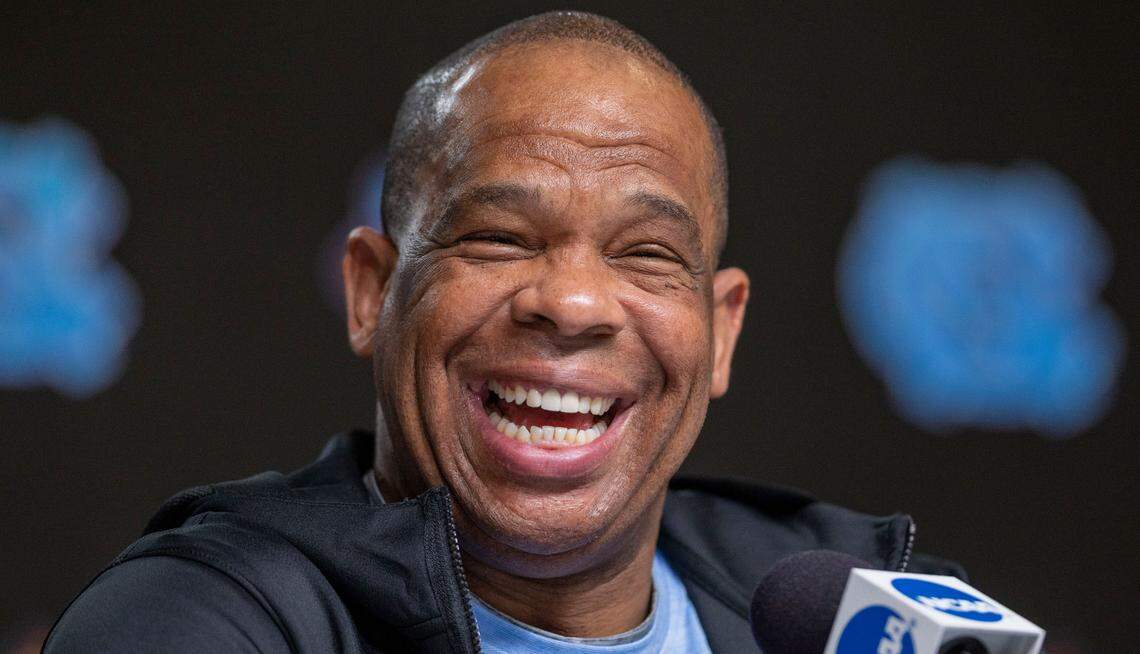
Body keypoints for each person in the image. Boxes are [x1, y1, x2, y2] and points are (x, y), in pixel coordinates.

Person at [45, 11, 963, 653]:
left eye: (645, 253)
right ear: (372, 292)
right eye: (497, 237)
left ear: (721, 332)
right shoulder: (200, 622)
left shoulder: (879, 618)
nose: (571, 303)